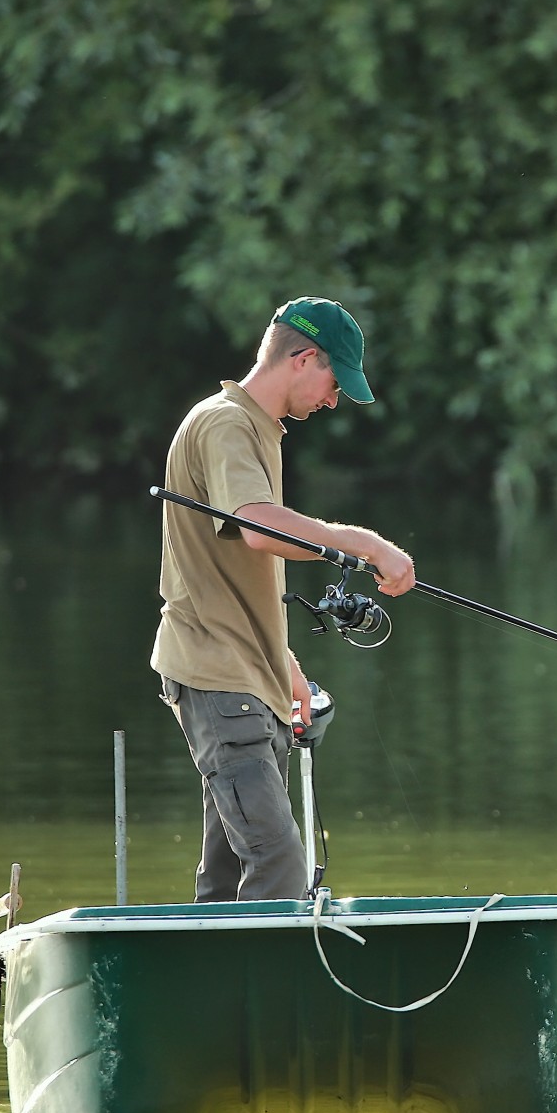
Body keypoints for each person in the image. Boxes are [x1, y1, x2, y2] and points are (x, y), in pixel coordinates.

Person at [151, 297, 416, 903]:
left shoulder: (256, 430)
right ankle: (262, 996)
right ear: (304, 358)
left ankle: (208, 993)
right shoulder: (225, 423)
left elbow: (239, 570)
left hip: (250, 678)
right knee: (279, 865)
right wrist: (365, 543)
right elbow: (257, 527)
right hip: (219, 678)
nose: (331, 400)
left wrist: (285, 666)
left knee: (224, 883)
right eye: (333, 382)